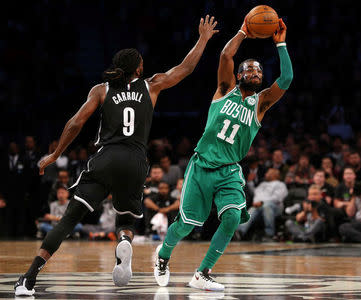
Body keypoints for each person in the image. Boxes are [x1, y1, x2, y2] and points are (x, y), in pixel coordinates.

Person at [14, 16, 219, 296]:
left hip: (106, 157)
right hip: (135, 162)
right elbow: (185, 69)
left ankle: (28, 279)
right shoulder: (152, 85)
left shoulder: (101, 90)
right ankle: (124, 240)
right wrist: (203, 39)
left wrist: (55, 153)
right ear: (138, 67)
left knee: (69, 219)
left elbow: (75, 123)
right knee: (126, 219)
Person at [154, 17, 293, 291]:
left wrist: (281, 44)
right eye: (250, 71)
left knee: (232, 217)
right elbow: (226, 54)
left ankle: (202, 273)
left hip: (229, 170)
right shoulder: (224, 90)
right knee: (185, 225)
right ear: (239, 75)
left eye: (259, 72)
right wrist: (243, 29)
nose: (256, 74)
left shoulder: (261, 103)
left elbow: (286, 78)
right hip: (202, 166)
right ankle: (162, 257)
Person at [236, 168, 288, 241]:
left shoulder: (280, 184)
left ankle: (269, 234)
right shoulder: (263, 184)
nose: (265, 174)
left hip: (275, 207)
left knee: (267, 205)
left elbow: (278, 198)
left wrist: (262, 202)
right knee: (253, 208)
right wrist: (250, 182)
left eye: (268, 173)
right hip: (260, 207)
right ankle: (240, 231)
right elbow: (256, 194)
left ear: (274, 175)